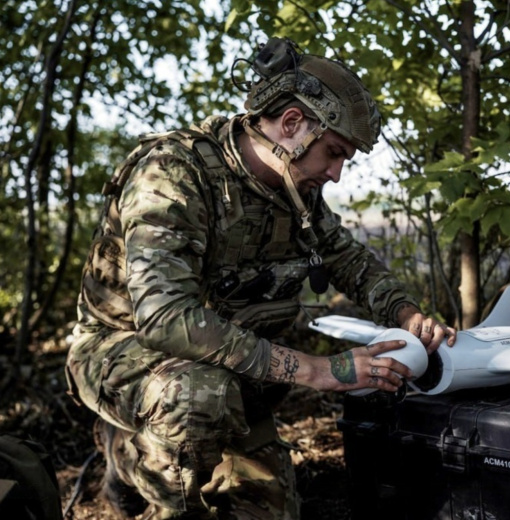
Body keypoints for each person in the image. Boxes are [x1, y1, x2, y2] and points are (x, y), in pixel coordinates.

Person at [65, 37, 457, 520]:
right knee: (197, 399)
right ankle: (130, 458)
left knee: (270, 511)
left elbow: (347, 259)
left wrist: (406, 312)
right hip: (126, 353)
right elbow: (165, 319)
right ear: (291, 124)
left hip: (228, 369)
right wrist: (319, 370)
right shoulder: (173, 173)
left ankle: (195, 449)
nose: (336, 174)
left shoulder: (294, 190)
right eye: (334, 153)